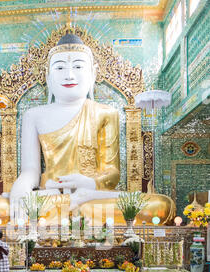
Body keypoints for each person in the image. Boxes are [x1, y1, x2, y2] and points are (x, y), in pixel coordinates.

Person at [9, 32, 175, 226]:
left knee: (161, 205)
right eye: (60, 67)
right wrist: (19, 190)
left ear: (93, 73)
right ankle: (76, 203)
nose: (69, 75)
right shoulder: (34, 115)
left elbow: (112, 172)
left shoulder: (106, 113)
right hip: (53, 194)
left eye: (78, 66)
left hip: (94, 194)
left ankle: (81, 200)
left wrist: (87, 183)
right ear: (48, 74)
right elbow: (30, 171)